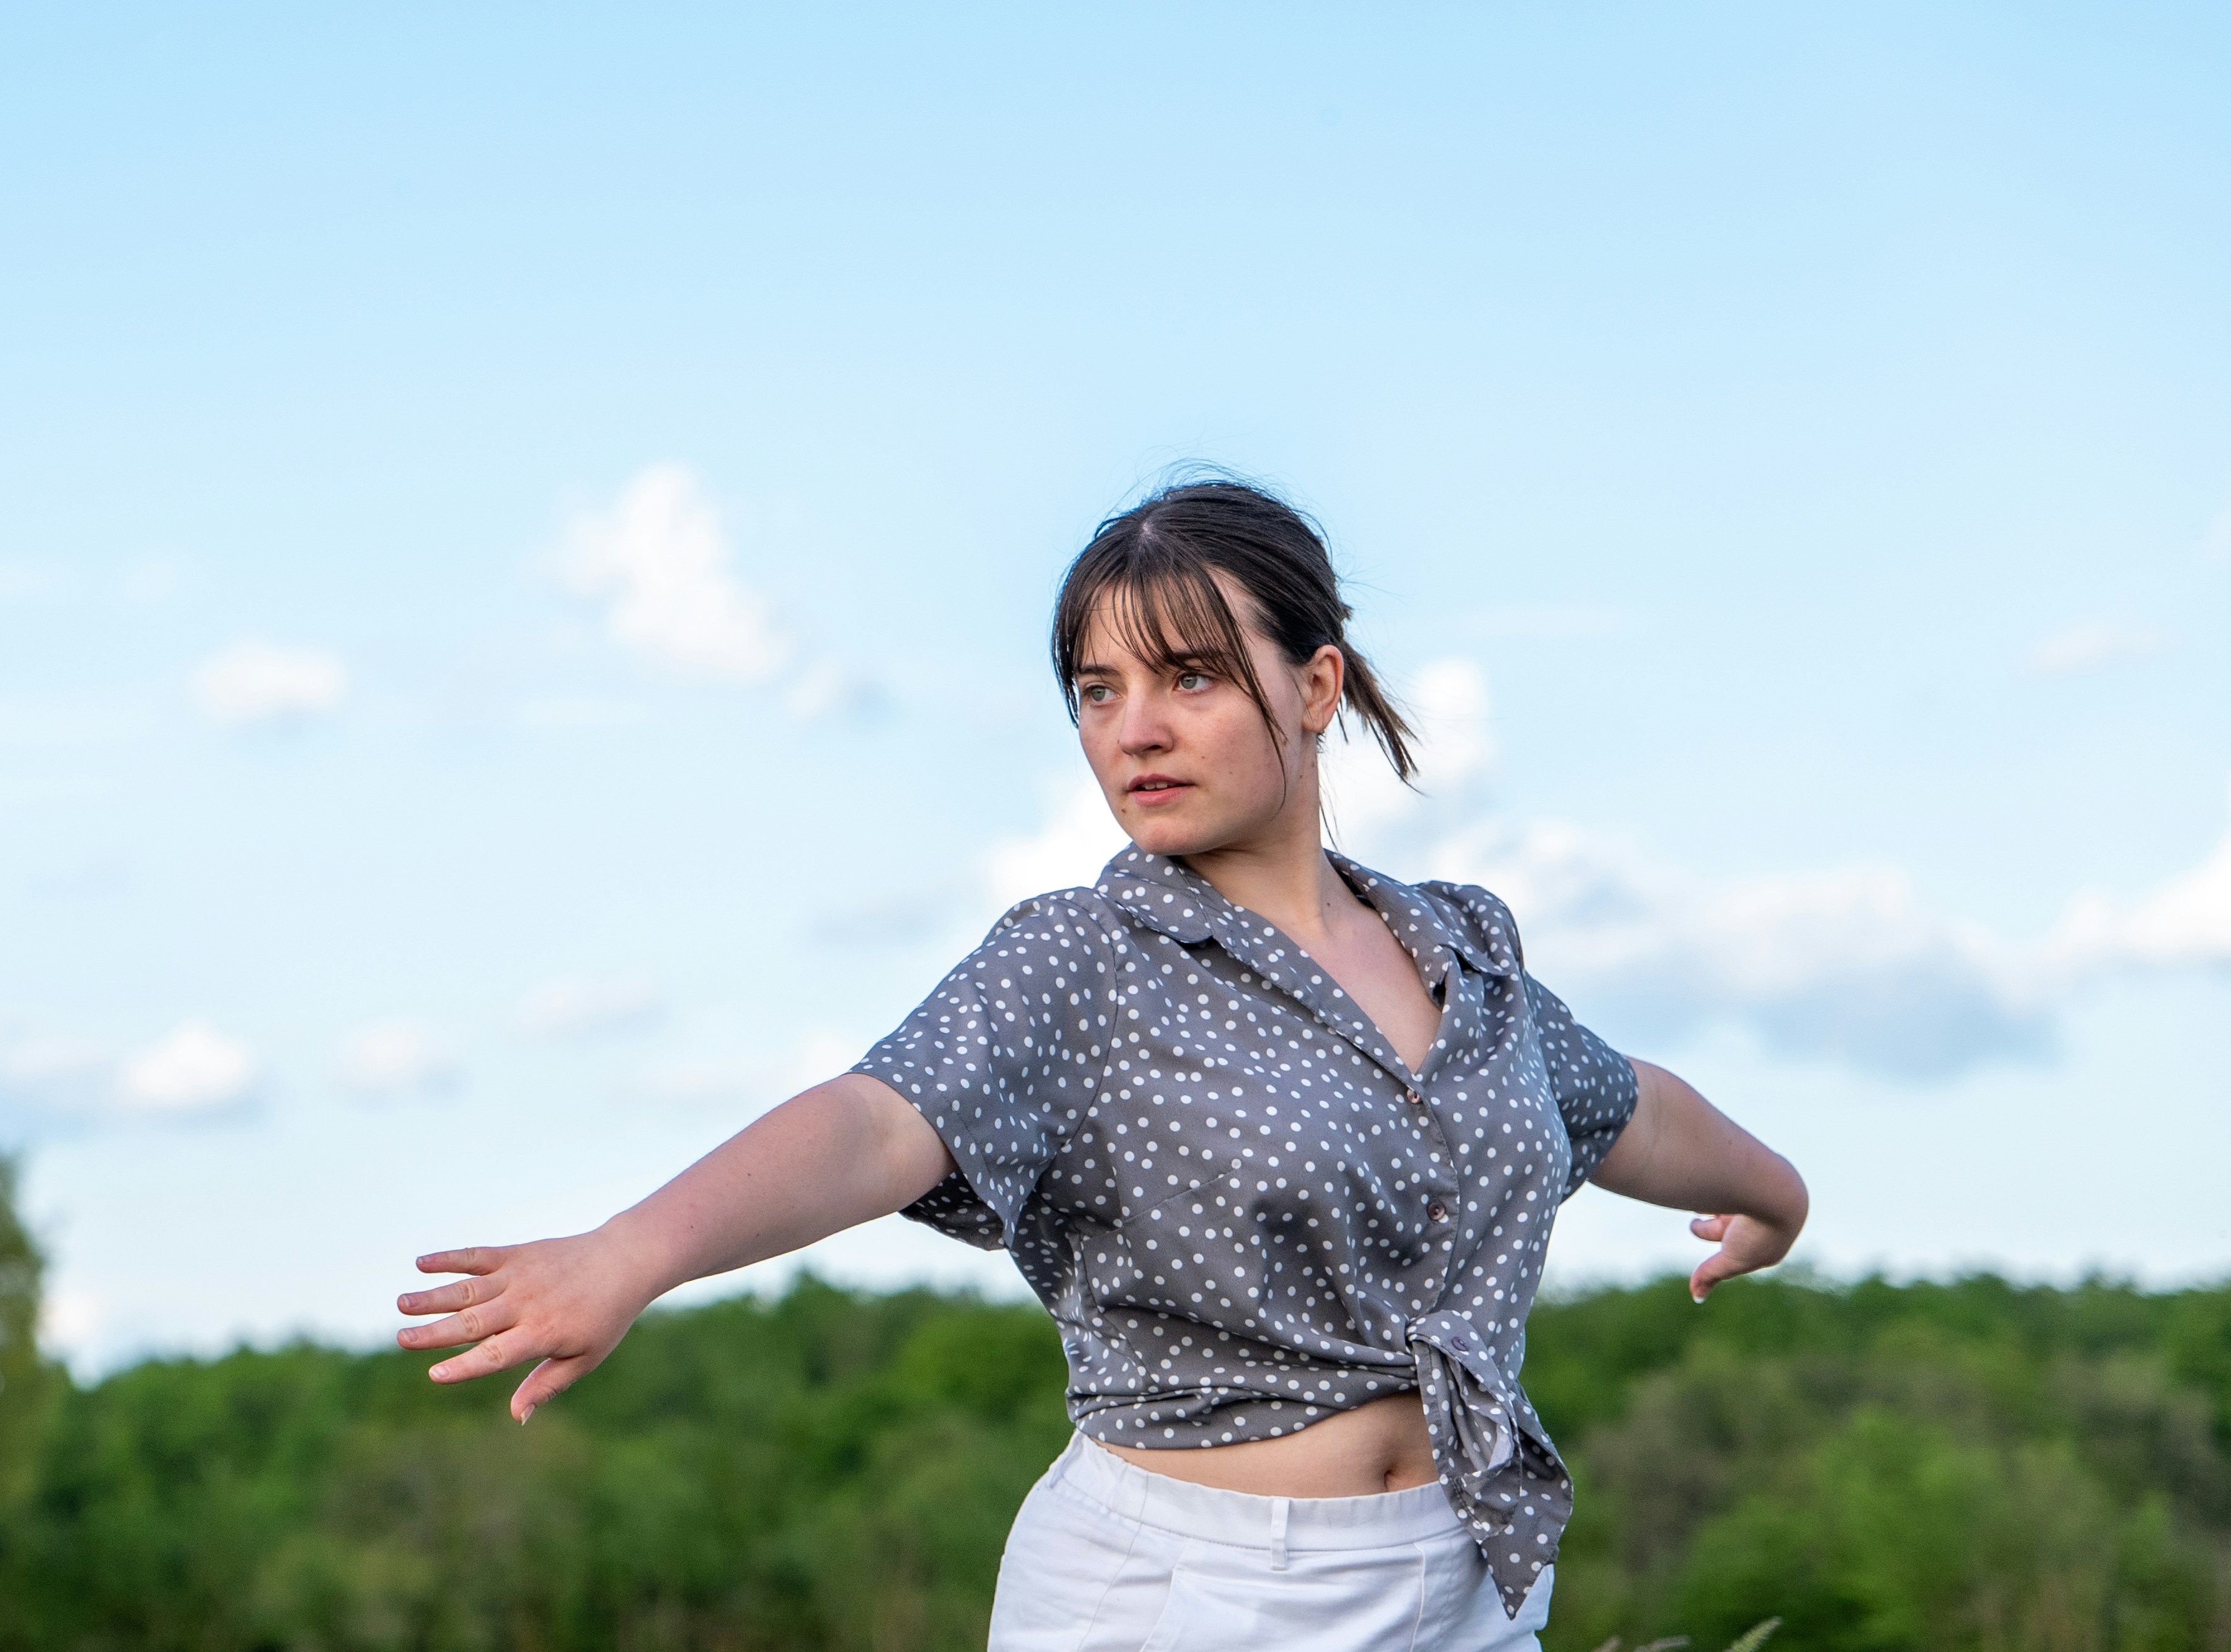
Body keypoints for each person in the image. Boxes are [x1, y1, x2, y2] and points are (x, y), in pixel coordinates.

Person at [394, 478, 1809, 1648]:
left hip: (1471, 1580)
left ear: (1316, 683)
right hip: (1186, 1598)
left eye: (1190, 676)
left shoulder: (1463, 946)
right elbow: (875, 1122)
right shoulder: (1082, 961)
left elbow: (1618, 1104)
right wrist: (631, 1252)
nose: (1134, 727)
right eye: (1097, 688)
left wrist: (1775, 1194)